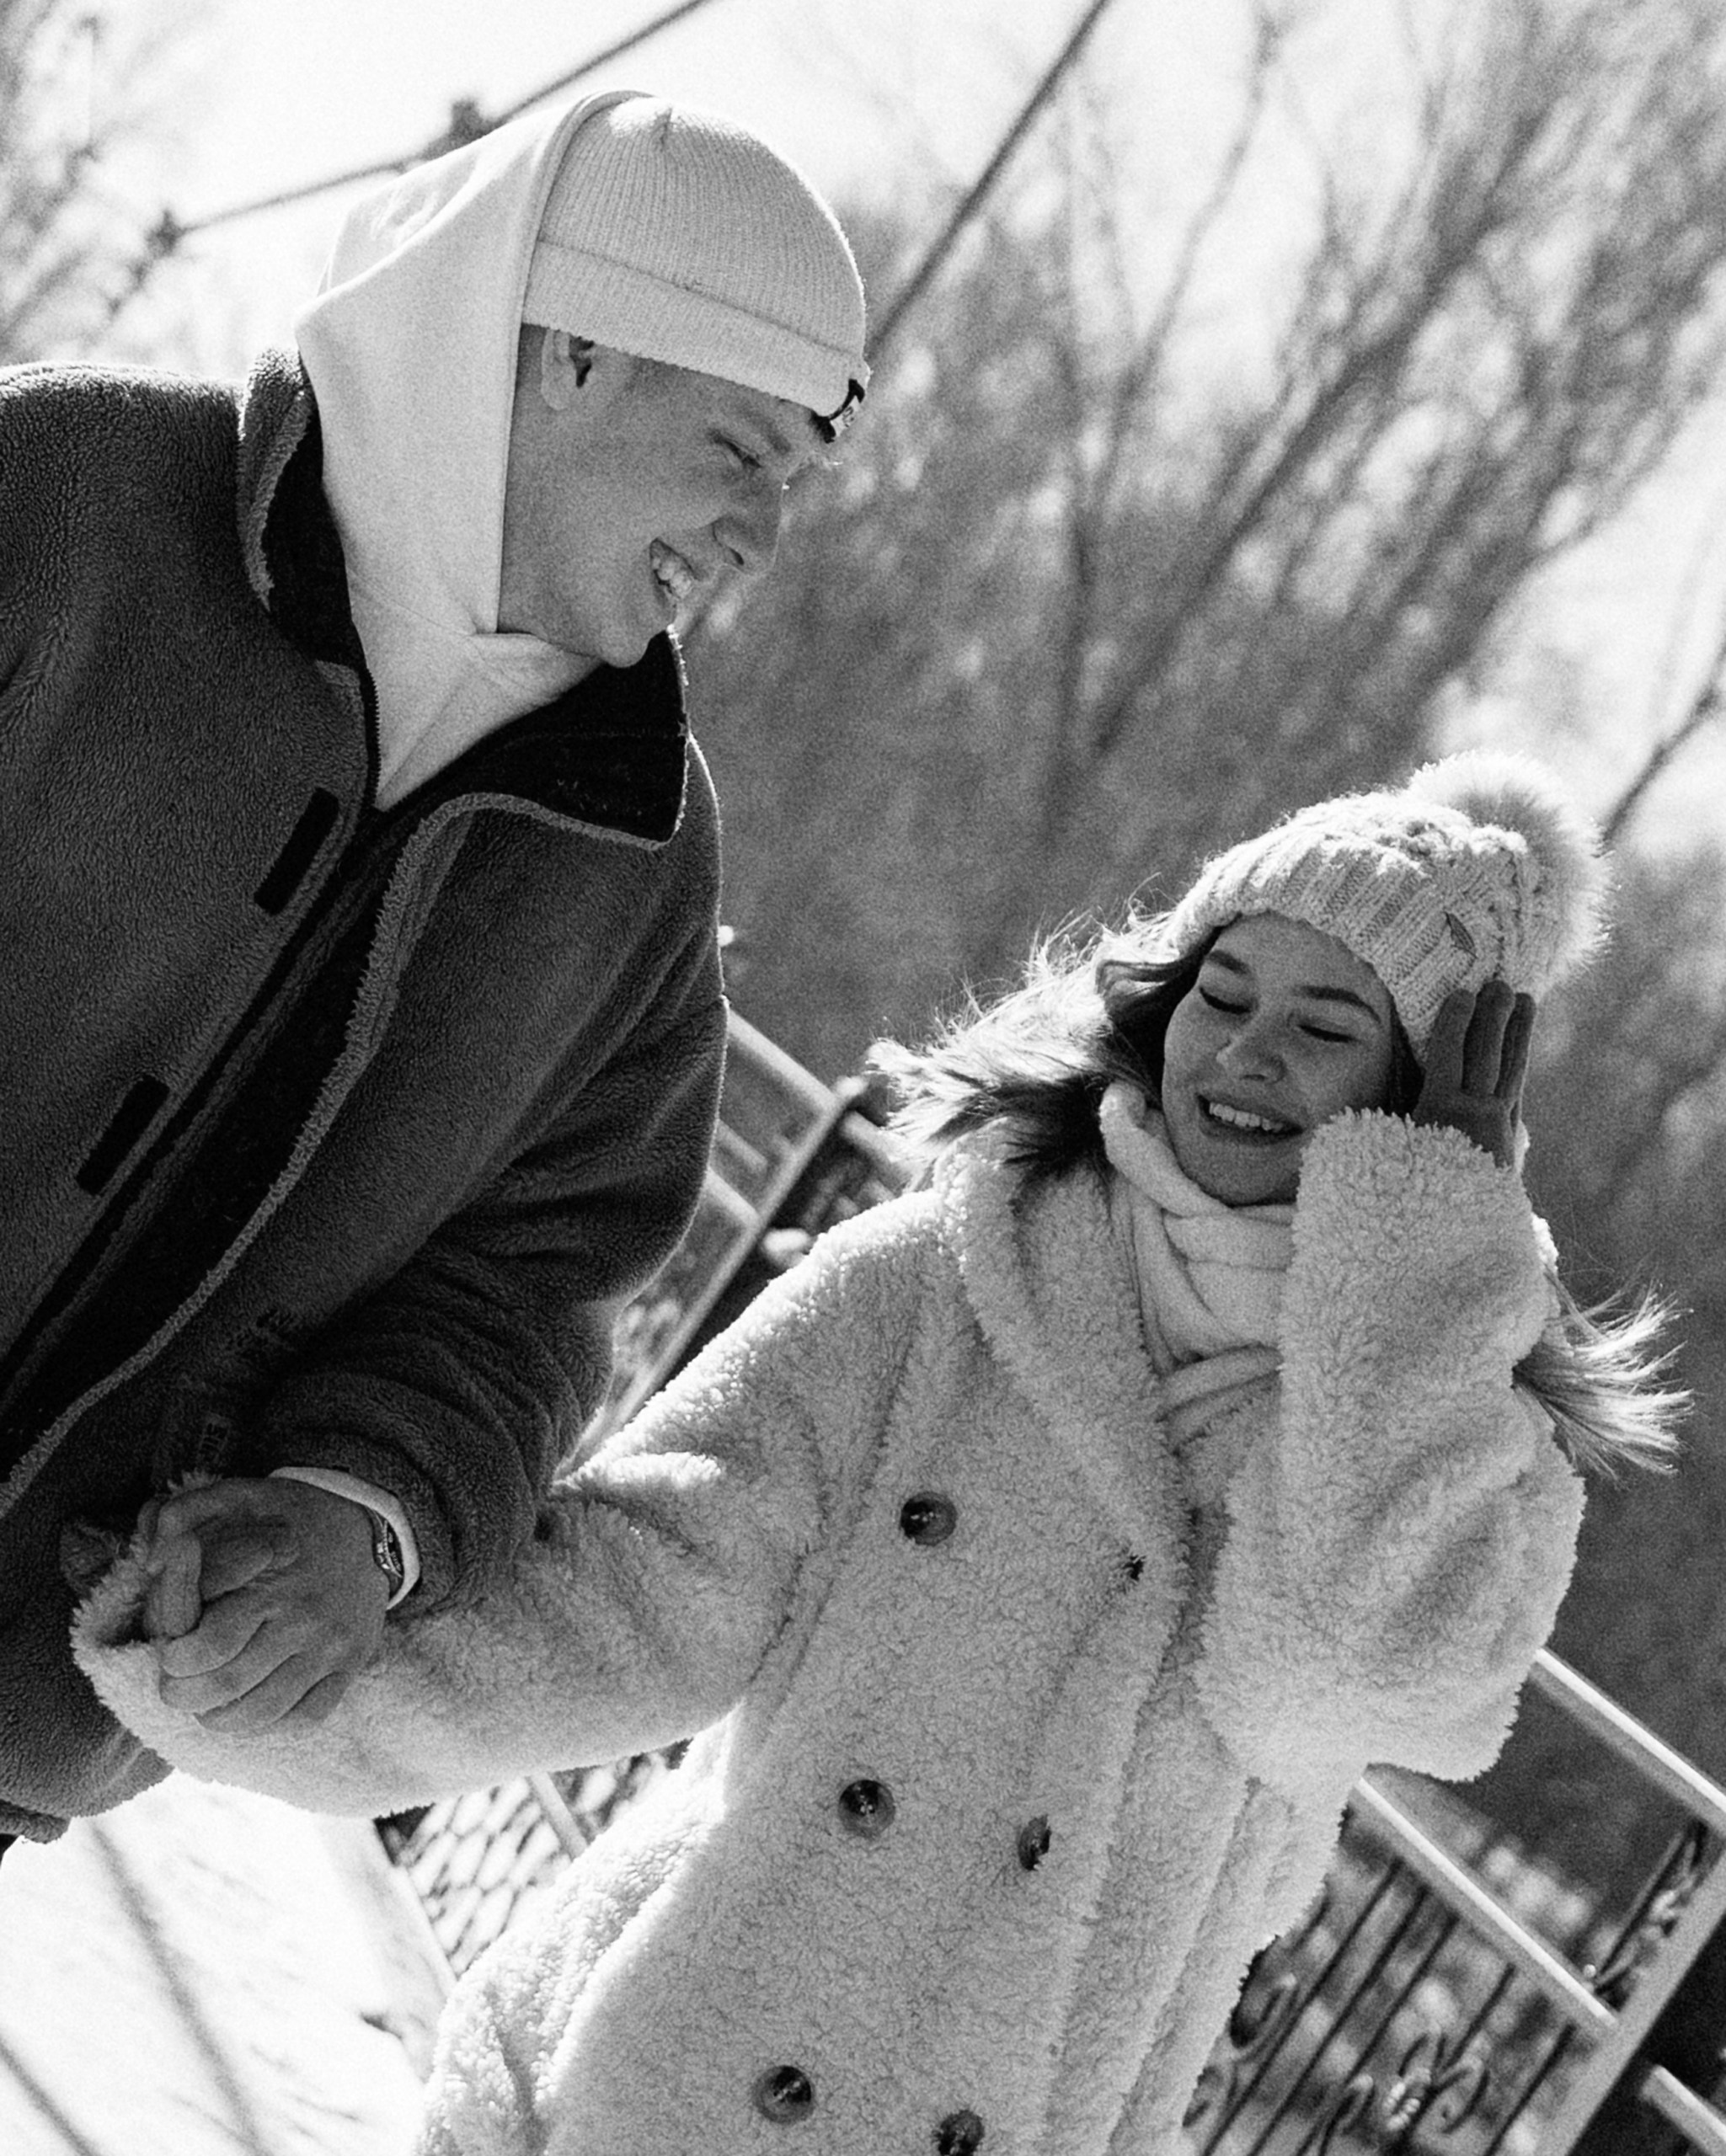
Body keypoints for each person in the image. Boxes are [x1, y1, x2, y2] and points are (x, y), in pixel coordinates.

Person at [77, 751, 1683, 2154]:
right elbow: (659, 1576)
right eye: (1224, 989)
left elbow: (1328, 1685)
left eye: (1326, 1024)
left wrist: (1409, 1283)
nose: (1240, 1055)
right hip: (686, 2071)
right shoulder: (952, 1270)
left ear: (1416, 1104)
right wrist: (282, 1650)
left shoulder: (1465, 1433)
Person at [0, 86, 868, 1852]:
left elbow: (530, 1291)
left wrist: (352, 1507)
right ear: (564, 357)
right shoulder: (69, 497)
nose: (762, 538)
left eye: (798, 478)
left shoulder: (640, 860)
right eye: (739, 451)